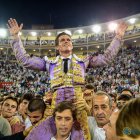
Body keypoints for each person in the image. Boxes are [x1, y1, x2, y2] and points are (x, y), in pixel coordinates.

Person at [7, 18, 128, 140]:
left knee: (81, 135)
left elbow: (105, 59)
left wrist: (118, 37)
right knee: (37, 134)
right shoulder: (50, 62)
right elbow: (25, 61)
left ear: (72, 44)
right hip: (56, 104)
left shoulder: (83, 60)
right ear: (57, 47)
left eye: (68, 40)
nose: (66, 41)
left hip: (78, 104)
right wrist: (16, 37)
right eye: (62, 40)